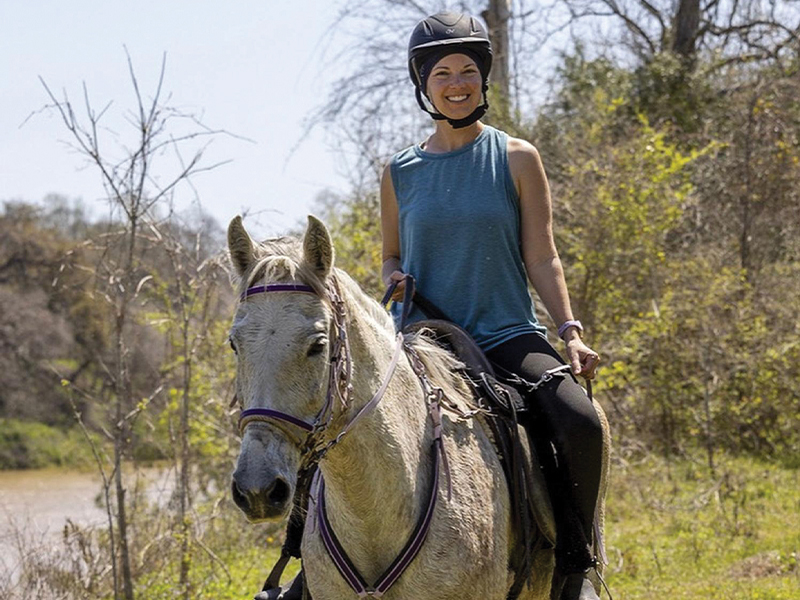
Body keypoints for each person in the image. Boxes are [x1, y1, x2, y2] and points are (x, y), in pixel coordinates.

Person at [380, 11, 604, 600]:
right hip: (423, 340)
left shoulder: (517, 157)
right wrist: (394, 275)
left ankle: (575, 565)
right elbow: (388, 256)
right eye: (442, 74)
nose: (457, 83)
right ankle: (305, 562)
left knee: (579, 420)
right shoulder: (399, 172)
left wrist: (570, 331)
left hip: (505, 332)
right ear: (422, 84)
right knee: (335, 417)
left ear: (484, 79)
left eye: (468, 71)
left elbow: (543, 256)